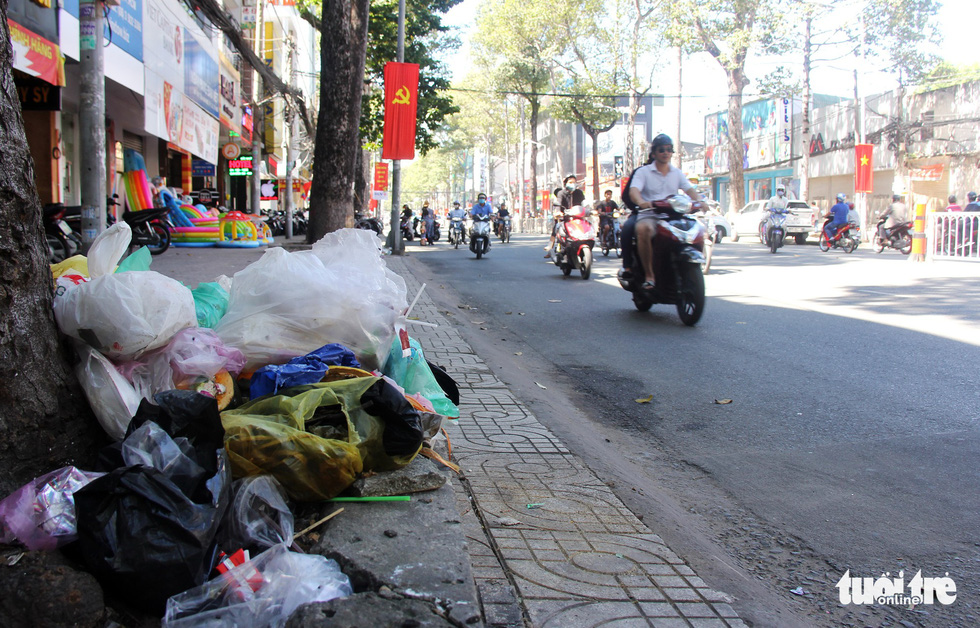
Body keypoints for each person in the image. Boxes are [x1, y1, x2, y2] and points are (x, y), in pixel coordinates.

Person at [624, 134, 701, 289]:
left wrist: (701, 201)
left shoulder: (677, 173)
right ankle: (649, 275)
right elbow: (633, 191)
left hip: (673, 216)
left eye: (669, 149)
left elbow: (690, 189)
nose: (665, 152)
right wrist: (641, 202)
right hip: (650, 215)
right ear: (654, 153)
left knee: (698, 229)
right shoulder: (643, 172)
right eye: (661, 150)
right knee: (643, 229)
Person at [544, 175, 586, 256]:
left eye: (574, 182)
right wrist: (558, 212)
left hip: (577, 217)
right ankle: (550, 248)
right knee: (556, 228)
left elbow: (584, 203)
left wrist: (589, 209)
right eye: (570, 182)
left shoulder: (579, 193)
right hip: (564, 217)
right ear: (565, 183)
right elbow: (558, 204)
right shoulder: (561, 193)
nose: (573, 184)